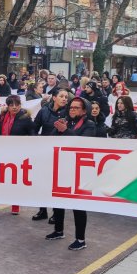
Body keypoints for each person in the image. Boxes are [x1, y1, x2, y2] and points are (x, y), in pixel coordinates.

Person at [48, 97, 96, 250]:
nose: (72, 110)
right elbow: (51, 140)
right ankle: (58, 230)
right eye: (71, 107)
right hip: (62, 165)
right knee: (58, 200)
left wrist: (65, 131)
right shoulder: (66, 121)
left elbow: (83, 144)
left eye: (76, 108)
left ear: (84, 110)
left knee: (78, 205)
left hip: (79, 169)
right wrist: (58, 130)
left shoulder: (89, 125)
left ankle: (80, 239)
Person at [0, 95, 35, 215]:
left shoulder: (26, 118)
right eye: (11, 105)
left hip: (17, 154)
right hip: (0, 152)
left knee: (14, 180)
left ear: (20, 105)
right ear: (8, 106)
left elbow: (33, 134)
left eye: (17, 104)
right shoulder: (1, 117)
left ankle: (15, 204)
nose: (14, 107)